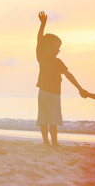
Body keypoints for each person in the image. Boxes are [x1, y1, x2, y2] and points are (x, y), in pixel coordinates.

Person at [36, 11, 87, 146]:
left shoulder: (51, 60)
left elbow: (69, 75)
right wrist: (43, 25)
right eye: (57, 48)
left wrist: (79, 88)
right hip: (52, 94)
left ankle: (48, 142)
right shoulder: (43, 57)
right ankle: (52, 143)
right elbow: (39, 40)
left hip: (45, 93)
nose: (59, 50)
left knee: (45, 119)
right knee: (49, 119)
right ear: (50, 47)